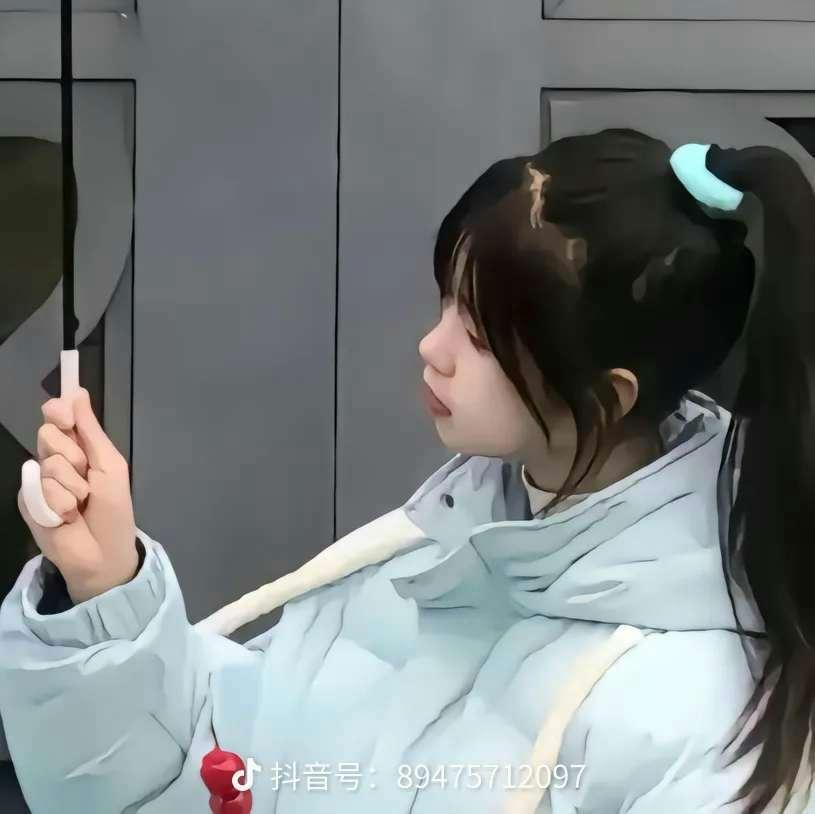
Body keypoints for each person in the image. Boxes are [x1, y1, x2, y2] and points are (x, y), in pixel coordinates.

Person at [0, 128, 813, 813]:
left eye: (481, 336)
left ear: (605, 397)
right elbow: (215, 771)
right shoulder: (430, 559)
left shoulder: (698, 716)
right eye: (446, 302)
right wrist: (105, 590)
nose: (432, 347)